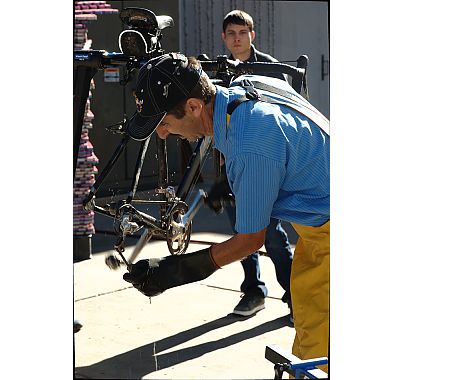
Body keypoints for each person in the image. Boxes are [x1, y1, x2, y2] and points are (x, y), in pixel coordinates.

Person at [123, 53, 329, 371]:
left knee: (319, 347)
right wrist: (235, 181)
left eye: (164, 123)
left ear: (193, 106)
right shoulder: (244, 88)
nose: (162, 134)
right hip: (318, 226)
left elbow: (249, 241)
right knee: (307, 314)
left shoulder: (249, 144)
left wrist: (176, 270)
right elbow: (287, 138)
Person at [206, 9, 294, 319]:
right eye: (231, 34)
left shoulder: (269, 68)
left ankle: (296, 295)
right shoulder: (218, 71)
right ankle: (254, 291)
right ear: (224, 37)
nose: (237, 39)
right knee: (242, 233)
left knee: (272, 235)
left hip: (265, 164)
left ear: (252, 35)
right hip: (231, 165)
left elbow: (285, 112)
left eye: (242, 33)